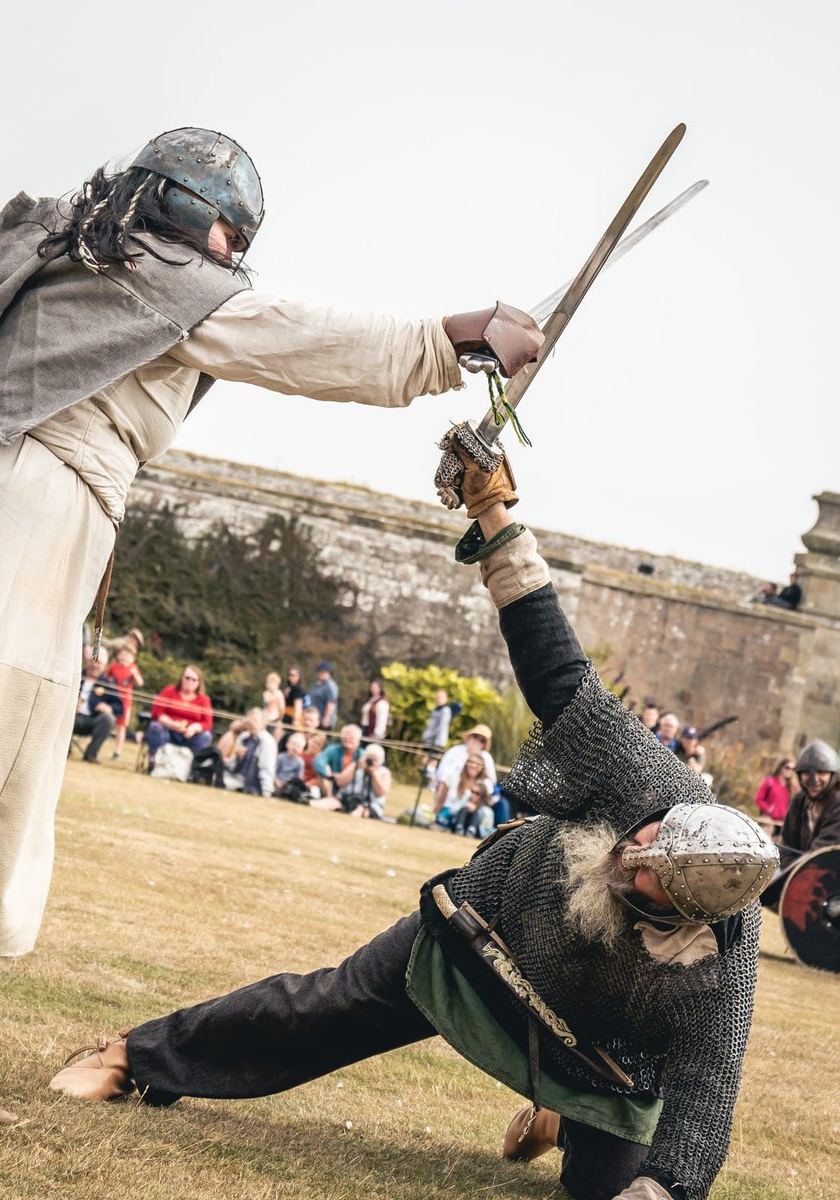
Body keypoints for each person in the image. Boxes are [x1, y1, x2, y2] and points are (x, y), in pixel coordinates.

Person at [0, 122, 541, 1123]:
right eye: (231, 239)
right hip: (19, 521)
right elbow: (290, 333)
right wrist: (452, 338)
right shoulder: (160, 271)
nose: (231, 262)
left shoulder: (50, 240)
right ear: (202, 219)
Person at [49, 441, 778, 1200]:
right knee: (324, 1007)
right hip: (485, 935)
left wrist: (660, 1193)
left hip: (597, 1053)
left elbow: (706, 1095)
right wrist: (495, 518)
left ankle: (562, 1112)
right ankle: (131, 1055)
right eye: (650, 840)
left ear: (694, 921)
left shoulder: (717, 966)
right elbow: (555, 664)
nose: (635, 858)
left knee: (612, 1188)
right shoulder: (644, 776)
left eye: (653, 881)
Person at [776, 740, 840, 870]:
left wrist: (792, 874)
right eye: (807, 773)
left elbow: (824, 853)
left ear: (833, 775)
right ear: (799, 774)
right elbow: (787, 846)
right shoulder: (800, 799)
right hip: (803, 873)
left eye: (821, 772)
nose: (814, 780)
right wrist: (786, 874)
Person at [144, 666, 214, 764]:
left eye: (194, 680)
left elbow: (208, 723)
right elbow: (156, 712)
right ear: (181, 678)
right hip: (168, 732)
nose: (190, 681)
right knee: (155, 726)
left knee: (206, 736)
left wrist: (194, 728)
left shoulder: (204, 700)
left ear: (198, 683)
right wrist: (171, 724)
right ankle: (153, 760)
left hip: (190, 736)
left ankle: (195, 767)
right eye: (187, 678)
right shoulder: (169, 691)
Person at [73, 649, 123, 764]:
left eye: (98, 662)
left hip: (92, 720)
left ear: (104, 666)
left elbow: (119, 706)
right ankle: (64, 750)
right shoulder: (76, 676)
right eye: (92, 661)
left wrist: (109, 708)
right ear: (86, 661)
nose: (94, 665)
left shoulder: (108, 684)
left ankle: (91, 754)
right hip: (73, 717)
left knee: (107, 718)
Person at [217, 708, 278, 797]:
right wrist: (237, 757)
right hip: (236, 777)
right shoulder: (243, 737)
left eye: (255, 721)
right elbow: (232, 765)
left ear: (264, 724)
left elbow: (266, 768)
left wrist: (267, 792)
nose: (252, 724)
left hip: (253, 785)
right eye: (250, 721)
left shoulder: (267, 741)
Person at [326, 743, 392, 819]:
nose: (371, 762)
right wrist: (355, 766)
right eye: (369, 758)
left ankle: (349, 820)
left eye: (375, 759)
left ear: (381, 761)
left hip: (370, 806)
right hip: (349, 800)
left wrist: (373, 774)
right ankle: (309, 802)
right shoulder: (357, 766)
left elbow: (380, 792)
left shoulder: (384, 772)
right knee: (331, 803)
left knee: (360, 810)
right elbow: (340, 782)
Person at [435, 751, 492, 830]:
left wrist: (475, 807)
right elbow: (440, 799)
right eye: (471, 762)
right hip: (450, 812)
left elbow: (487, 804)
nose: (473, 765)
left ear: (482, 767)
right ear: (466, 763)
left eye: (478, 764)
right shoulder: (453, 776)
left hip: (471, 816)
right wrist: (436, 813)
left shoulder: (485, 783)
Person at [106, 641, 144, 758]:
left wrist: (135, 675)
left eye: (127, 655)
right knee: (108, 721)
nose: (124, 657)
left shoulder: (133, 668)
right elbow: (106, 679)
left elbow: (140, 683)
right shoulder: (113, 666)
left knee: (121, 727)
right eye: (122, 654)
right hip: (112, 699)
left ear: (132, 658)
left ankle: (117, 751)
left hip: (125, 702)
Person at [312, 724, 364, 798]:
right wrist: (329, 775)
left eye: (351, 737)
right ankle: (329, 797)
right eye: (346, 736)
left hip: (352, 788)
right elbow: (318, 761)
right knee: (325, 768)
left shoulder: (362, 755)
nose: (348, 739)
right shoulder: (334, 749)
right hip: (333, 785)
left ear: (358, 740)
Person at [753, 759, 796, 838]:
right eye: (787, 768)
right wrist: (768, 809)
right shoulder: (770, 782)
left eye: (793, 769)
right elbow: (758, 799)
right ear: (781, 768)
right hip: (768, 823)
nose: (790, 771)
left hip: (782, 825)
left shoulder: (793, 787)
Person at [308, 662, 339, 731]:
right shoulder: (316, 685)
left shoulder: (330, 685)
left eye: (324, 672)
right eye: (320, 672)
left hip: (323, 720)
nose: (322, 674)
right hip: (314, 719)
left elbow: (331, 702)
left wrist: (326, 718)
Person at [280, 667, 306, 733]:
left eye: (294, 675)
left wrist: (296, 719)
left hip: (292, 715)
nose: (291, 677)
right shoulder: (288, 688)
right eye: (290, 675)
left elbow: (298, 704)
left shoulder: (297, 689)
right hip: (286, 714)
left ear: (299, 677)